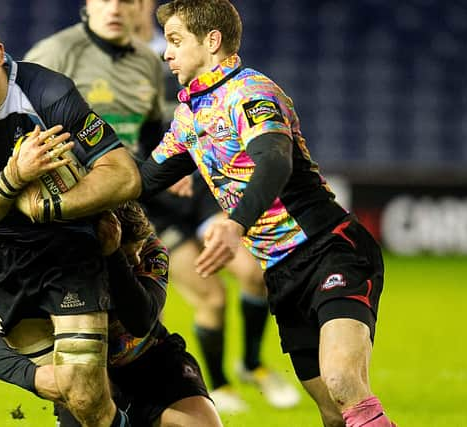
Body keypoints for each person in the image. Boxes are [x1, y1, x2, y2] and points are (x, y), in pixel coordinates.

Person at [22, 0, 299, 411]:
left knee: (250, 274)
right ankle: (208, 385)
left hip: (166, 190)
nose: (118, 8)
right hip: (123, 201)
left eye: (129, 1)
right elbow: (24, 126)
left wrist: (179, 162)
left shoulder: (151, 64)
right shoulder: (53, 55)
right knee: (199, 298)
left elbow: (157, 131)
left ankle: (247, 366)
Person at [136, 1, 396, 426]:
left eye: (176, 41)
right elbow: (143, 181)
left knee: (342, 381)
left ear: (212, 41)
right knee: (333, 414)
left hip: (330, 249)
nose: (167, 53)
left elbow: (275, 160)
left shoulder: (250, 92)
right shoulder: (190, 115)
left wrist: (234, 225)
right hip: (281, 273)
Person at [0, 2, 140, 426]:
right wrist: (14, 177)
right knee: (68, 391)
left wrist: (53, 205)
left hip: (71, 253)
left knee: (88, 397)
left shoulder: (48, 93)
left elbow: (125, 176)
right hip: (4, 261)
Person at [0, 201, 223, 426]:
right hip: (86, 376)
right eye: (127, 256)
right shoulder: (54, 265)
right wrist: (32, 376)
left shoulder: (151, 250)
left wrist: (114, 257)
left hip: (153, 362)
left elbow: (141, 321)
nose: (135, 263)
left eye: (136, 252)